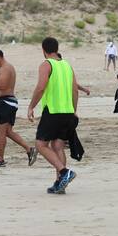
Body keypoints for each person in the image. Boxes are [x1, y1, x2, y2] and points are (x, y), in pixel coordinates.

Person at [28, 37, 78, 194]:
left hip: (53, 111)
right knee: (58, 146)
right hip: (68, 111)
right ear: (57, 48)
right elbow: (75, 90)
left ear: (43, 50)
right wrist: (73, 111)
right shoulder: (67, 65)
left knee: (40, 145)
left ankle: (64, 172)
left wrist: (31, 106)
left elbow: (41, 87)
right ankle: (59, 183)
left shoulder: (46, 64)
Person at [0, 48, 36, 167]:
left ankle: (0, 159)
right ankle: (29, 149)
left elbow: (3, 86)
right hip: (5, 102)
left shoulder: (6, 68)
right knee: (7, 132)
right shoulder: (4, 68)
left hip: (6, 102)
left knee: (1, 131)